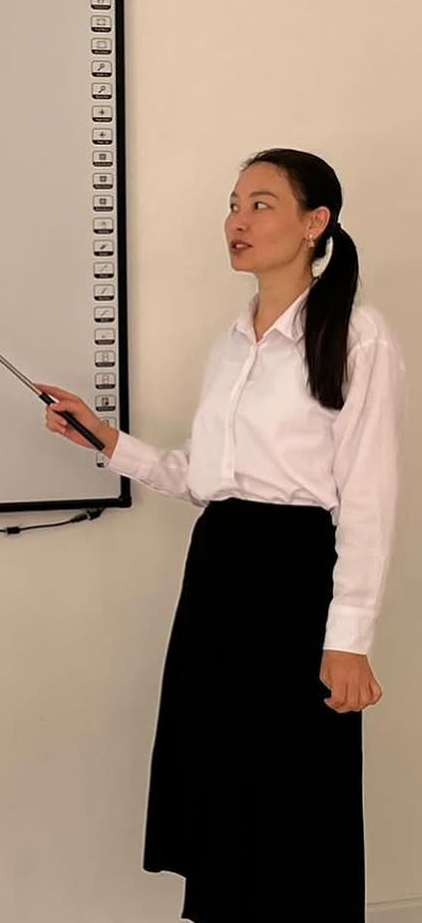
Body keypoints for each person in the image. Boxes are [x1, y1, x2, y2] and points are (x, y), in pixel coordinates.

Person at [38, 148, 406, 923]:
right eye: (233, 204)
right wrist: (108, 440)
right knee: (221, 780)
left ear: (316, 222)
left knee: (295, 791)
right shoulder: (230, 344)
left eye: (261, 203)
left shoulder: (356, 335)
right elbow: (206, 479)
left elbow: (369, 497)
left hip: (296, 578)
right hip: (219, 570)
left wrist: (349, 638)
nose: (238, 220)